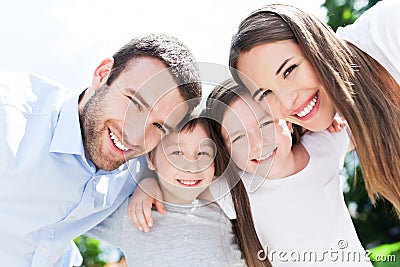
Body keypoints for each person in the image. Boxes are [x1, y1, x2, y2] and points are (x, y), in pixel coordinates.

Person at [0, 33, 201, 266]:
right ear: (103, 74)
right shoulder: (10, 118)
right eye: (135, 103)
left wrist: (150, 182)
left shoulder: (140, 165)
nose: (135, 135)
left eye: (158, 125)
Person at [229, 2, 400, 214]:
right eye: (265, 94)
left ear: (315, 44)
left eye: (289, 70)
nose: (287, 101)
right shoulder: (346, 126)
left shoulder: (390, 26)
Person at [206, 79, 372, 266]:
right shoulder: (234, 189)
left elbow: (373, 112)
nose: (258, 144)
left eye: (265, 124)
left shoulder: (324, 145)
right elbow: (176, 192)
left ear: (289, 122)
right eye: (238, 137)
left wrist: (324, 113)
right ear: (226, 151)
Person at [87, 116, 253, 266]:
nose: (191, 165)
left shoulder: (225, 205)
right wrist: (146, 180)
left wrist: (147, 182)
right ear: (151, 159)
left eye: (203, 153)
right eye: (177, 152)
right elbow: (69, 210)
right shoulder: (132, 213)